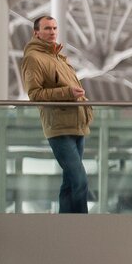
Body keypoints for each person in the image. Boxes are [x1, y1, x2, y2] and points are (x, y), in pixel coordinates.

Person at [21, 15, 93, 214]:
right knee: (80, 180)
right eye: (47, 29)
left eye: (54, 28)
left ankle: (65, 225)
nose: (52, 32)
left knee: (70, 182)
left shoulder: (58, 57)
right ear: (36, 33)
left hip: (76, 124)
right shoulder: (33, 59)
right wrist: (67, 93)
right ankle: (81, 227)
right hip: (59, 127)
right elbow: (35, 95)